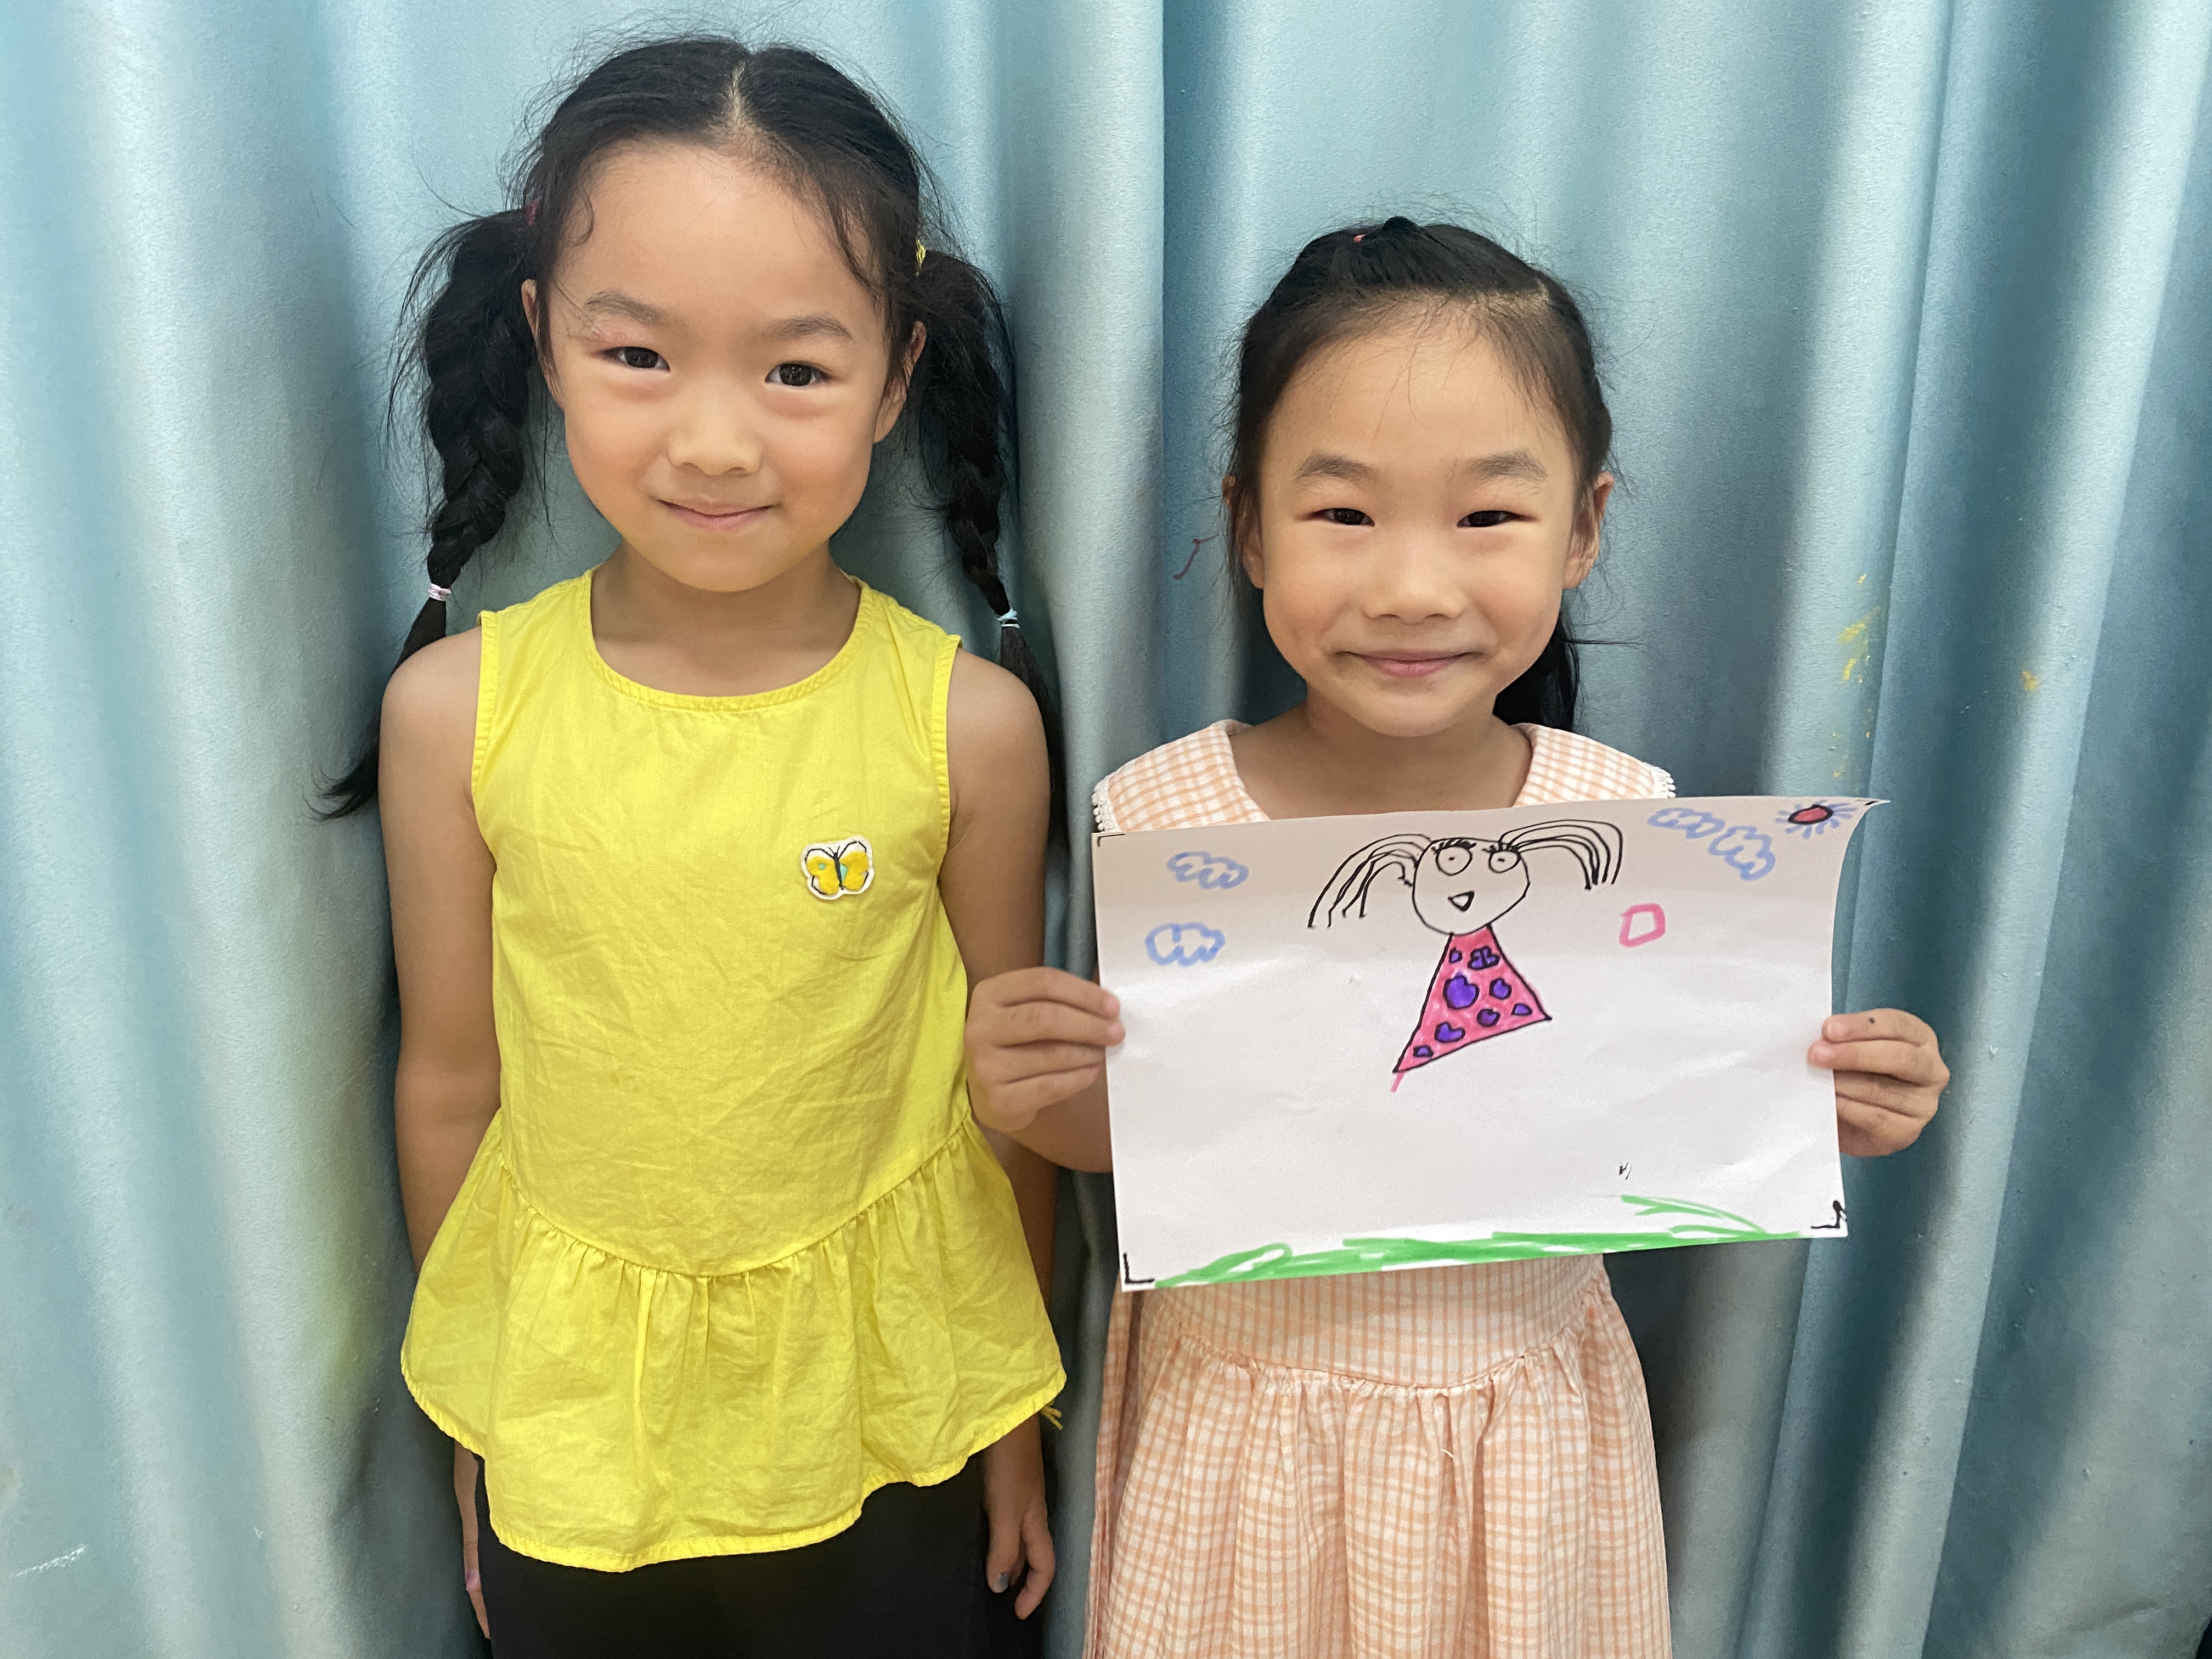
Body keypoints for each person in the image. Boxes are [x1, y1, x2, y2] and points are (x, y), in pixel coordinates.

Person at [964, 218, 1951, 1657]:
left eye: (1487, 517)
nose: (1413, 588)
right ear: (1249, 526)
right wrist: (1037, 1099)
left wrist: (1837, 1097)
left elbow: (1675, 1100)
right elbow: (1158, 1130)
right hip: (1245, 1442)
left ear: (1584, 527)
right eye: (1343, 514)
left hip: (1523, 1441)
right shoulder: (1167, 816)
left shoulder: (1624, 819)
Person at [327, 36, 1065, 1658]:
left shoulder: (969, 726)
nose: (716, 442)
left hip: (898, 1418)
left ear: (896, 378)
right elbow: (449, 1083)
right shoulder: (456, 713)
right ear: (544, 340)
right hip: (579, 1429)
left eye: (795, 371)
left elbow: (1003, 1099)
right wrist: (486, 1411)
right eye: (641, 355)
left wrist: (1014, 1416)